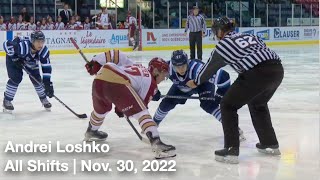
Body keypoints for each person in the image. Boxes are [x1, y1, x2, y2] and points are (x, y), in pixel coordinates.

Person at [187, 17, 283, 164]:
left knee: (227, 105)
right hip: (277, 70)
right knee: (258, 104)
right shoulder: (250, 36)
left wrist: (195, 81)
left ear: (219, 31)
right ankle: (270, 143)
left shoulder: (223, 45)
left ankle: (231, 150)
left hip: (256, 73)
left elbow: (209, 69)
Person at [84, 58, 176, 159]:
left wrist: (97, 61)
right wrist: (123, 109)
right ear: (155, 71)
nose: (164, 78)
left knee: (101, 110)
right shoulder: (150, 82)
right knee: (142, 112)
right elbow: (139, 106)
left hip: (100, 77)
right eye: (164, 74)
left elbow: (118, 55)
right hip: (117, 81)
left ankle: (91, 131)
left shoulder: (137, 66)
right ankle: (157, 143)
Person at [153, 50, 245, 141]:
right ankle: (153, 126)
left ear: (188, 62)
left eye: (183, 65)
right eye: (177, 66)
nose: (180, 69)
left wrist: (219, 97)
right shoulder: (167, 68)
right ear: (172, 65)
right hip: (181, 87)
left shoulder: (197, 69)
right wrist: (153, 90)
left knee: (209, 105)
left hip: (203, 83)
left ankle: (233, 128)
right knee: (165, 104)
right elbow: (152, 74)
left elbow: (224, 77)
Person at [2, 31, 54, 112]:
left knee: (37, 79)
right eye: (38, 42)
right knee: (16, 78)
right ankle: (7, 100)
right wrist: (14, 58)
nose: (40, 44)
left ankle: (43, 99)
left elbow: (47, 67)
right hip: (14, 59)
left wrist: (47, 83)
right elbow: (6, 44)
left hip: (30, 60)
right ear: (32, 41)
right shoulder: (23, 46)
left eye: (42, 41)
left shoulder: (43, 51)